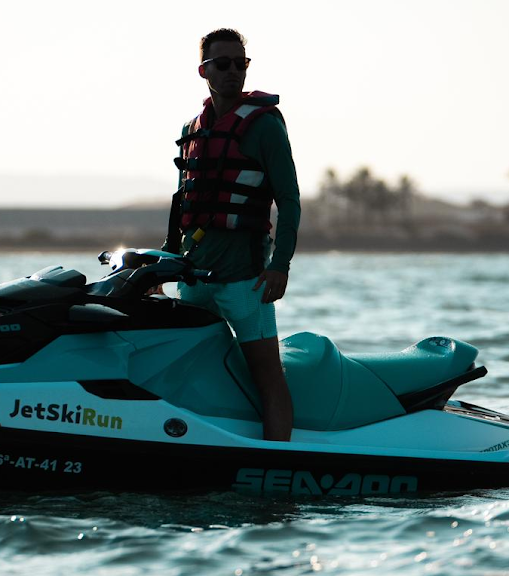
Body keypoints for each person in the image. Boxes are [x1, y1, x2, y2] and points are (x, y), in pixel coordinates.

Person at [161, 28, 300, 441]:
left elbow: (289, 201)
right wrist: (167, 261)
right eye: (223, 64)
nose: (232, 72)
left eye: (240, 63)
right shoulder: (194, 128)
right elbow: (183, 201)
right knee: (187, 371)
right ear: (204, 70)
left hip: (246, 279)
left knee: (267, 375)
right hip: (195, 278)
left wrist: (280, 266)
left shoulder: (265, 126)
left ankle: (279, 466)